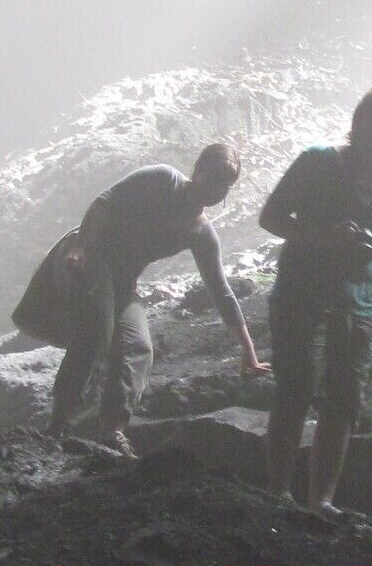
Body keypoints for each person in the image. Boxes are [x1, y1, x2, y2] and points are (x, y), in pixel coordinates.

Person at [46, 141, 265, 453]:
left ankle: (113, 430)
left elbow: (222, 292)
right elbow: (103, 204)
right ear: (198, 170)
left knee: (139, 347)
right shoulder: (161, 179)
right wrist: (81, 246)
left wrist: (249, 352)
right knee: (98, 326)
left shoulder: (201, 233)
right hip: (88, 254)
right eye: (214, 179)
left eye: (225, 185)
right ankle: (58, 424)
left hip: (123, 281)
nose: (218, 191)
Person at [259, 85, 372, 511]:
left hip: (360, 307)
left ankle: (320, 502)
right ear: (363, 123)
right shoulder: (316, 162)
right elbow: (270, 218)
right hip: (301, 294)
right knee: (296, 387)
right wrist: (323, 235)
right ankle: (277, 493)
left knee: (344, 402)